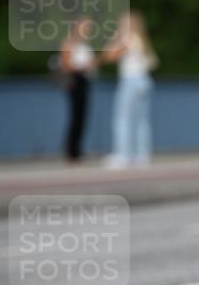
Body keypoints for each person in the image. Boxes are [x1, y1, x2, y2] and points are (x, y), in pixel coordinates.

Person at [101, 11, 158, 168]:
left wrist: (114, 38)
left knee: (123, 118)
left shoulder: (127, 38)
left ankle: (123, 155)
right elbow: (153, 62)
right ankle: (142, 155)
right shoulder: (141, 39)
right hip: (144, 80)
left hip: (131, 80)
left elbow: (110, 56)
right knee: (141, 120)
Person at [59, 17, 96, 162]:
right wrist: (83, 68)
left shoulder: (84, 45)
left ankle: (78, 149)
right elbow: (66, 65)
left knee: (82, 117)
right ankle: (71, 151)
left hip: (86, 81)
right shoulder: (69, 43)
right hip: (75, 81)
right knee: (75, 116)